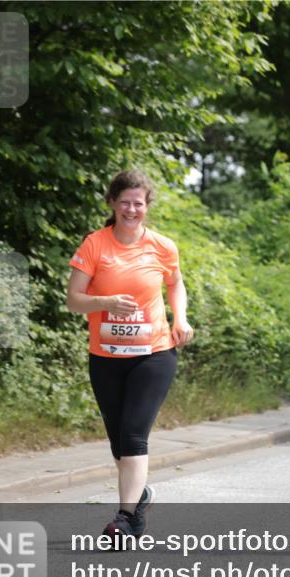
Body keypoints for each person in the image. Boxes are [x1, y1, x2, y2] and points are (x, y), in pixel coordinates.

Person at [67, 170, 194, 540]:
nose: (131, 209)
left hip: (153, 354)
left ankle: (123, 518)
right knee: (118, 441)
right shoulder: (95, 244)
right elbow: (73, 300)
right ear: (112, 203)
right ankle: (140, 500)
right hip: (105, 356)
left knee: (135, 435)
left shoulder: (162, 246)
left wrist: (180, 318)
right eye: (125, 202)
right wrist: (104, 302)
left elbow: (176, 283)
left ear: (147, 206)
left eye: (138, 203)